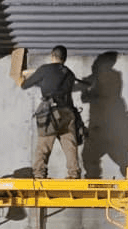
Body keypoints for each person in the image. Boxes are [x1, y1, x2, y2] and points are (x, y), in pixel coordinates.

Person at [20, 45, 88, 179]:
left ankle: (39, 174)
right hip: (68, 113)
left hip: (51, 112)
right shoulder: (69, 73)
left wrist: (29, 74)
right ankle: (74, 174)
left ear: (52, 55)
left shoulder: (44, 69)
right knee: (70, 146)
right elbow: (58, 83)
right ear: (65, 58)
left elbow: (25, 85)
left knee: (44, 145)